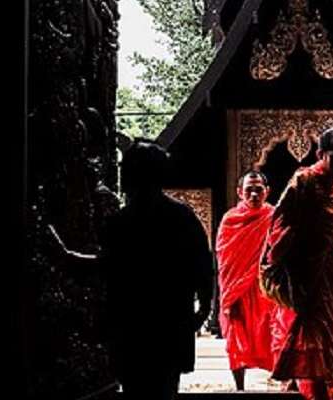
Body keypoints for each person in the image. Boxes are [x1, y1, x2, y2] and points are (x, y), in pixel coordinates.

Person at [51, 139, 213, 400]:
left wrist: (68, 257)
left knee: (136, 390)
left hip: (131, 324)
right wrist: (202, 310)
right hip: (168, 322)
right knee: (164, 390)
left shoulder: (120, 222)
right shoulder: (181, 217)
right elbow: (203, 267)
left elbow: (108, 266)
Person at [260, 127, 333, 400]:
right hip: (306, 275)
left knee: (330, 335)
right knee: (309, 337)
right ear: (321, 153)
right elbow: (279, 225)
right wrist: (291, 254)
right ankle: (313, 392)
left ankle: (326, 384)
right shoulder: (303, 182)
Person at [215, 171, 276, 390]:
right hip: (237, 290)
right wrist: (229, 292)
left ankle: (284, 381)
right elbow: (224, 257)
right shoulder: (230, 220)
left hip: (266, 288)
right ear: (239, 192)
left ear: (267, 192)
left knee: (274, 333)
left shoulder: (274, 216)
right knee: (236, 338)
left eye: (258, 189)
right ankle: (239, 388)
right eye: (248, 189)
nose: (253, 194)